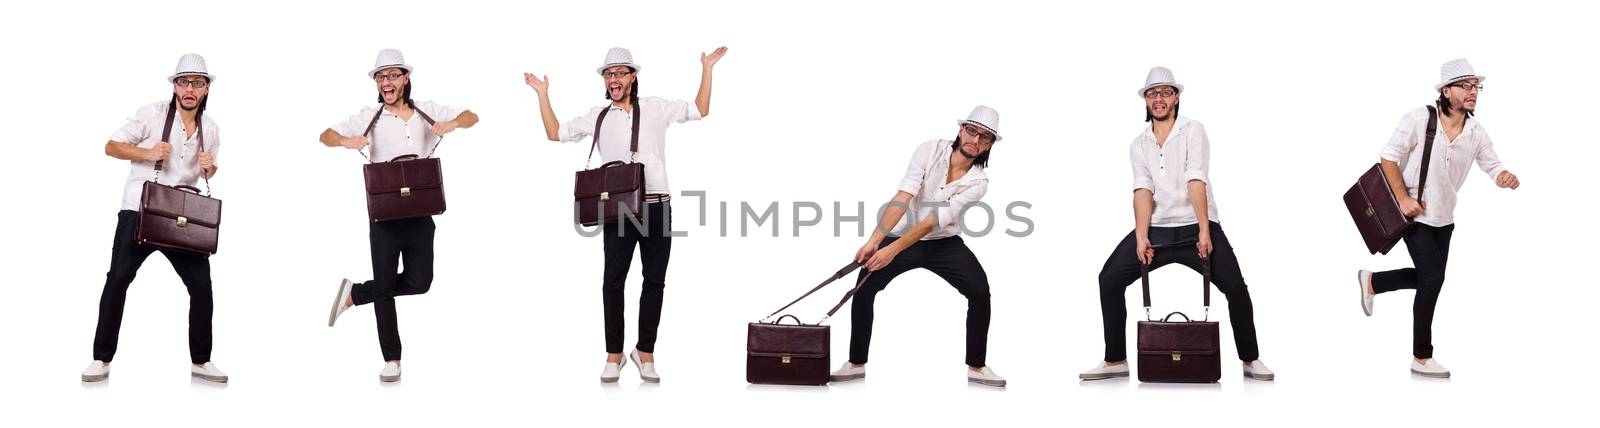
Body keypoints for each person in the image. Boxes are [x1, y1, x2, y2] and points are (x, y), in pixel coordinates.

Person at [524, 46, 727, 384]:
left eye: (620, 72)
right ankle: (614, 355)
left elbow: (700, 109)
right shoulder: (598, 116)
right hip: (618, 209)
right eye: (608, 74)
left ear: (633, 76)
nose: (613, 78)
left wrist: (707, 68)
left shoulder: (656, 107)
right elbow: (554, 133)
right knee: (612, 283)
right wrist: (543, 95)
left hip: (657, 205)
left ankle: (645, 352)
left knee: (655, 281)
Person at [1079, 67, 1274, 382]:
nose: (1158, 99)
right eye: (1152, 93)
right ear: (1145, 100)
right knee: (1109, 279)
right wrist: (1142, 237)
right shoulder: (1138, 144)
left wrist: (1204, 230)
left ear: (1176, 97)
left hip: (1195, 226)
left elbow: (1196, 179)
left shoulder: (1192, 130)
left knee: (1236, 288)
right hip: (1157, 229)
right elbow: (1142, 191)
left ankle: (1250, 360)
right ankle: (1115, 360)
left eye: (1165, 92)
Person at [322, 48, 478, 382]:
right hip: (385, 217)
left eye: (393, 75)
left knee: (421, 282)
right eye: (381, 77)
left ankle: (357, 293)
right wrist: (346, 141)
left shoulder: (426, 112)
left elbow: (471, 116)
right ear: (377, 83)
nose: (387, 82)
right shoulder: (370, 115)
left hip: (421, 212)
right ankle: (392, 359)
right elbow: (325, 135)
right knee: (387, 289)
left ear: (406, 79)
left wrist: (451, 123)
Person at [1356, 58, 1518, 378]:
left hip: (1446, 217)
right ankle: (1421, 356)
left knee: (1430, 277)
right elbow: (1388, 157)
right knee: (1432, 279)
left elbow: (1492, 164)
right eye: (1466, 86)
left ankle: (1373, 281)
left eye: (1476, 86)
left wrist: (1502, 176)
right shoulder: (1418, 119)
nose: (1473, 92)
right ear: (1446, 90)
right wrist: (1402, 199)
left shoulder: (1476, 132)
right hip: (1414, 215)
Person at [828, 105, 1007, 388]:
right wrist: (875, 241)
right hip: (899, 235)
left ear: (990, 145)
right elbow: (902, 196)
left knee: (979, 291)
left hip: (943, 242)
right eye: (972, 131)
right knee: (864, 288)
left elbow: (931, 222)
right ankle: (855, 363)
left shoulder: (978, 182)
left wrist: (892, 250)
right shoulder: (929, 150)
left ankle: (977, 366)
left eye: (984, 137)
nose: (975, 140)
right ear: (961, 130)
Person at [83, 53, 229, 384]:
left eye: (197, 83)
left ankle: (201, 361)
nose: (189, 88)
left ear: (206, 89)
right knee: (118, 279)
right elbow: (111, 146)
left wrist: (211, 168)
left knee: (201, 287)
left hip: (182, 216)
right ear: (174, 86)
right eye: (183, 82)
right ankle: (101, 359)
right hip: (139, 209)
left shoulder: (211, 128)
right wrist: (147, 153)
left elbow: (209, 171)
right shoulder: (152, 113)